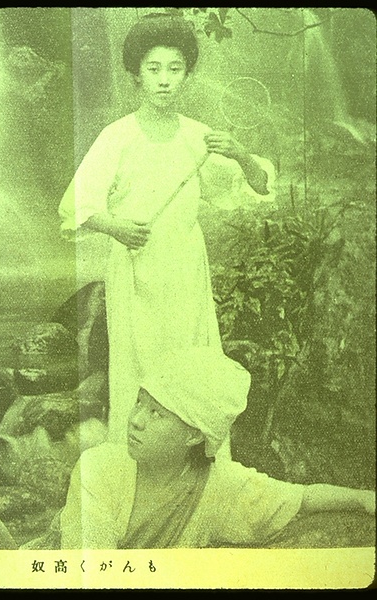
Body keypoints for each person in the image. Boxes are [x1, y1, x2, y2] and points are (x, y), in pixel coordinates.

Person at [58, 13, 275, 446]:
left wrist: (241, 154)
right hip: (135, 269)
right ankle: (136, 460)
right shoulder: (117, 137)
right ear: (136, 75)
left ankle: (198, 463)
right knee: (139, 366)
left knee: (191, 362)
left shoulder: (199, 137)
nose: (164, 80)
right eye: (153, 69)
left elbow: (258, 186)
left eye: (175, 69)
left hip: (186, 269)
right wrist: (117, 227)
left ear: (187, 75)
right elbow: (75, 208)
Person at [60, 347, 375, 549]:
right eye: (139, 403)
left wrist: (363, 499)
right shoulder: (99, 467)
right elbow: (90, 568)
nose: (136, 420)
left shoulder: (219, 486)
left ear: (194, 435)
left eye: (157, 413)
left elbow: (299, 498)